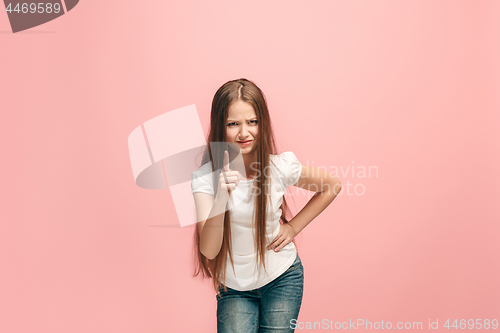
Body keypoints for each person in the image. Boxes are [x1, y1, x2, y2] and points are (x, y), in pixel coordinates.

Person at [191, 78, 342, 332]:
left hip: (282, 279)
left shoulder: (278, 167)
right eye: (233, 124)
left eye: (252, 122)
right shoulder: (205, 179)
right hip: (234, 288)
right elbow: (209, 250)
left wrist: (293, 228)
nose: (244, 133)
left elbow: (332, 185)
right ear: (220, 126)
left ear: (263, 123)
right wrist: (222, 197)